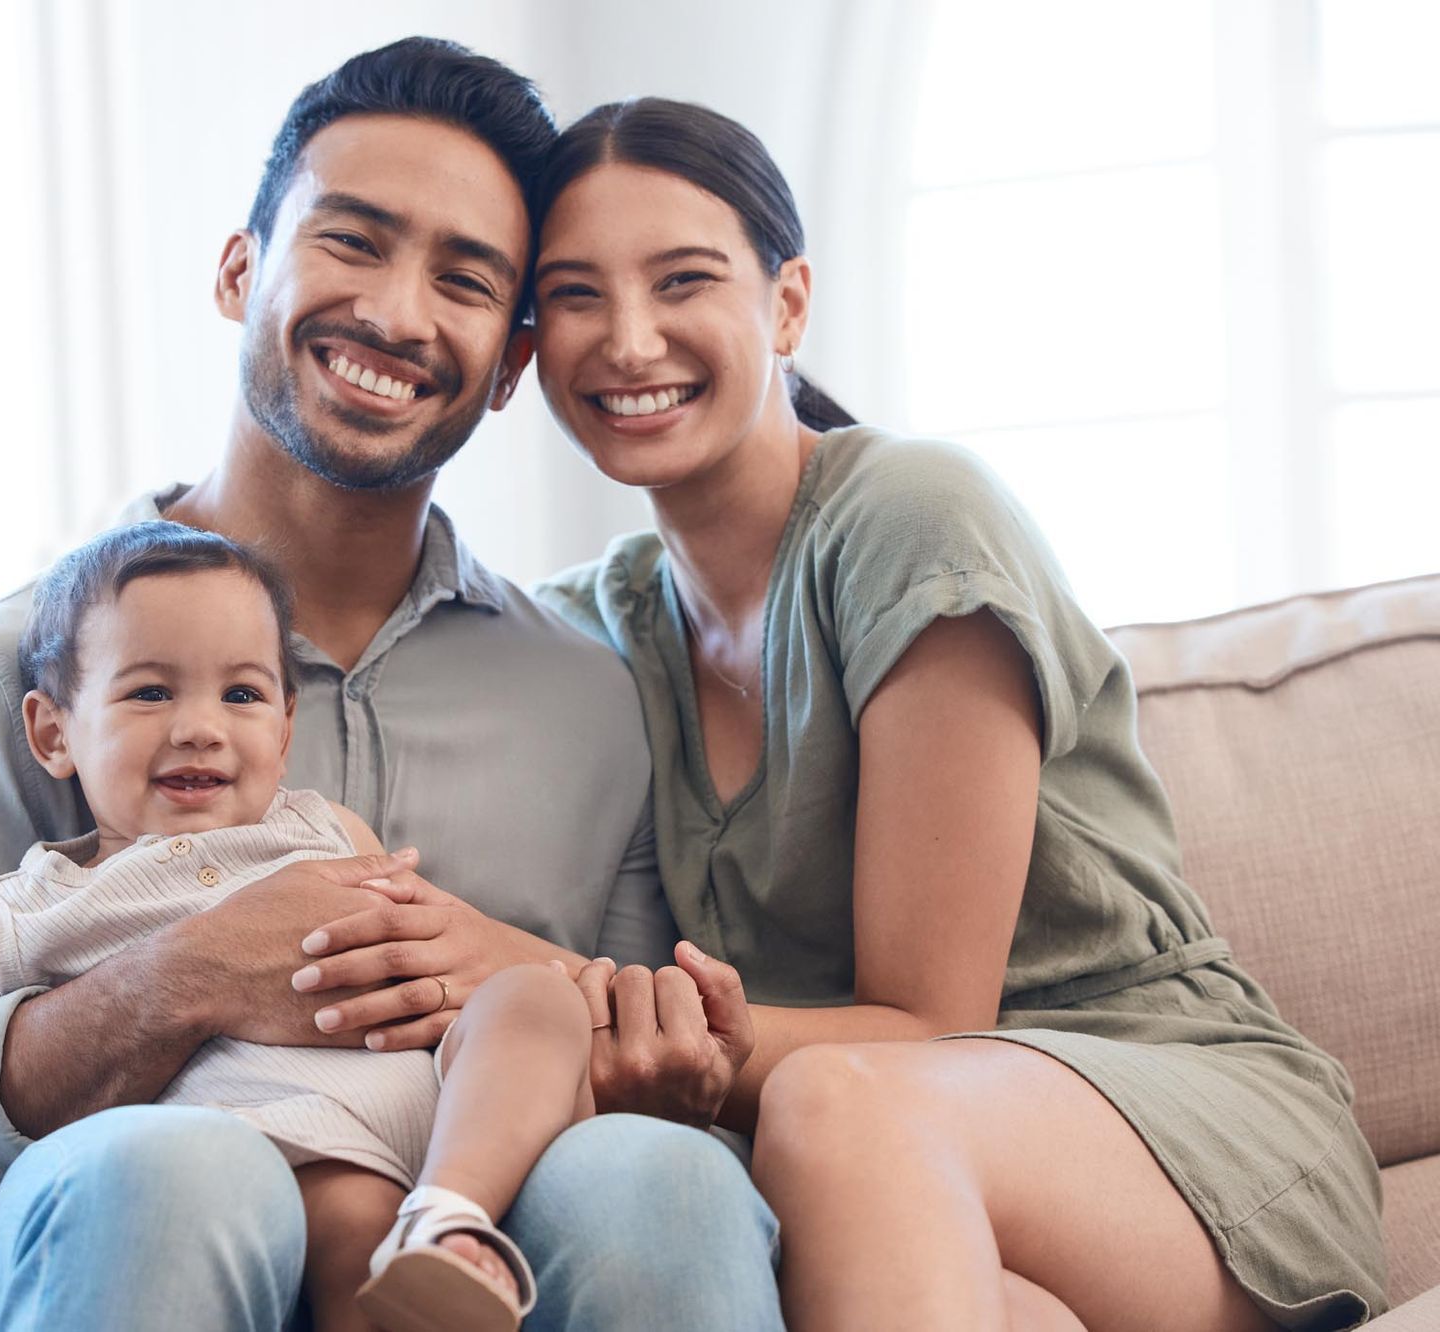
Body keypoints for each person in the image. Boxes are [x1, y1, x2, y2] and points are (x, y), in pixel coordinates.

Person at [0, 41, 782, 1332]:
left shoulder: (591, 697)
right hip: (123, 1229)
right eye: (353, 241)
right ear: (238, 271)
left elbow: (613, 1055)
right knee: (181, 1172)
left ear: (507, 368)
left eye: (464, 278)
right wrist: (178, 978)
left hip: (461, 1236)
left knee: (661, 1179)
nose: (395, 312)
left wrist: (657, 1057)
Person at [505, 97, 1387, 1329]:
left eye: (683, 280)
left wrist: (504, 977)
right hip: (895, 1179)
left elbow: (928, 1026)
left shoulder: (912, 517)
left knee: (837, 1102)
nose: (629, 340)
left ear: (789, 302)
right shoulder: (592, 629)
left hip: (1161, 1115)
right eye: (575, 297)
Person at [0, 521, 682, 1331]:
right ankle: (426, 1239)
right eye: (151, 690)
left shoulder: (326, 828)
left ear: (285, 731)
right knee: (349, 1236)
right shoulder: (49, 897)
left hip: (430, 1125)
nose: (199, 725)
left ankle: (454, 1213)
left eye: (240, 693)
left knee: (530, 996)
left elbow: (416, 943)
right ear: (51, 732)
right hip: (282, 1154)